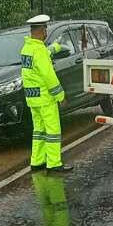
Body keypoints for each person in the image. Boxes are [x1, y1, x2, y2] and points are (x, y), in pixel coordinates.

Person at [21, 15, 73, 173]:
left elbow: (44, 54)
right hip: (45, 98)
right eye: (45, 30)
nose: (46, 33)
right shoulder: (40, 51)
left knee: (39, 131)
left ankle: (37, 161)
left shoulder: (27, 49)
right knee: (52, 131)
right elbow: (48, 75)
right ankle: (54, 163)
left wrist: (56, 46)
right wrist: (60, 96)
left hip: (33, 98)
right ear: (42, 30)